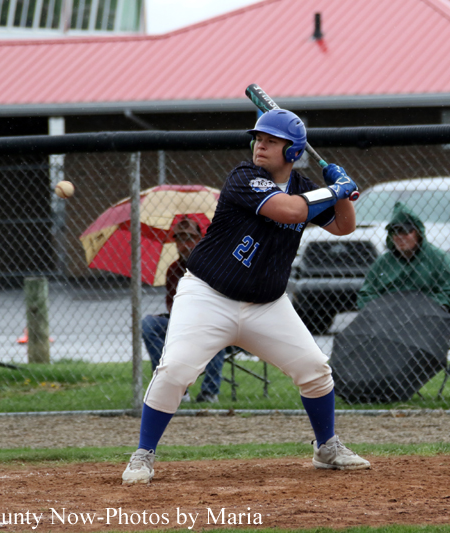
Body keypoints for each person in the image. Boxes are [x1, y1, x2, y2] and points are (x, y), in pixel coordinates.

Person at [122, 109, 369, 484]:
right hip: (208, 296)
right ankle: (143, 454)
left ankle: (327, 447)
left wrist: (343, 192)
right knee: (175, 370)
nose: (260, 145)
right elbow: (287, 211)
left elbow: (344, 226)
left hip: (266, 306)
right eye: (258, 138)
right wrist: (333, 190)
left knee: (315, 368)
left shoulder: (304, 187)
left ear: (292, 152)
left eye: (271, 140)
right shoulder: (243, 177)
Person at [141, 217, 226, 404]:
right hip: (180, 323)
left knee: (218, 326)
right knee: (149, 324)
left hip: (210, 323)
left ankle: (209, 393)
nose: (183, 244)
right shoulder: (173, 270)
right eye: (179, 240)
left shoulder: (213, 262)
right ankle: (175, 389)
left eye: (189, 239)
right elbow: (170, 304)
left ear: (199, 240)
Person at [357, 201, 450, 314]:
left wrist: (418, 307)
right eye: (395, 231)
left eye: (405, 231)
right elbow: (366, 294)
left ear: (418, 233)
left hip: (428, 319)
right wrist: (385, 309)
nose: (400, 237)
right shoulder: (383, 263)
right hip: (389, 320)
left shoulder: (440, 259)